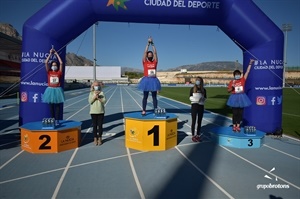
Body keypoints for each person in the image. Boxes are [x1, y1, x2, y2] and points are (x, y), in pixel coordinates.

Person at [226, 59, 255, 132]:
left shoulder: (242, 80)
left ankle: (238, 126)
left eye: (238, 74)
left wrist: (250, 63)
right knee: (235, 113)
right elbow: (228, 91)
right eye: (236, 75)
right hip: (234, 98)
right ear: (234, 75)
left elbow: (247, 72)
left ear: (240, 75)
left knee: (240, 113)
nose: (237, 76)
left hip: (242, 98)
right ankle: (234, 125)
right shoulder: (232, 82)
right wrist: (232, 87)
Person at [138, 37, 161, 115]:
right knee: (145, 96)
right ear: (147, 56)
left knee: (154, 97)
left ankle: (155, 110)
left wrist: (153, 44)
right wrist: (148, 44)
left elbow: (155, 53)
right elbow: (144, 52)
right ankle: (144, 110)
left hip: (154, 80)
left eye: (151, 55)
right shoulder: (145, 62)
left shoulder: (155, 62)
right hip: (146, 80)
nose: (150, 55)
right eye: (149, 55)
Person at [43, 48, 65, 125]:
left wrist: (56, 54)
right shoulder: (49, 72)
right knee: (51, 106)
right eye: (53, 65)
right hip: (50, 90)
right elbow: (46, 62)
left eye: (55, 65)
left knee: (58, 106)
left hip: (57, 89)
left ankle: (57, 120)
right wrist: (50, 54)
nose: (54, 66)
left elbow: (61, 63)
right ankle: (52, 119)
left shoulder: (59, 72)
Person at [189, 76, 207, 142]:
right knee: (193, 121)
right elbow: (190, 97)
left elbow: (205, 98)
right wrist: (196, 100)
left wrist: (202, 99)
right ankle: (193, 135)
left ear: (201, 82)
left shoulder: (204, 90)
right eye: (197, 80)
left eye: (199, 80)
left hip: (201, 106)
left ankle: (198, 135)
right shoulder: (192, 89)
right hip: (194, 106)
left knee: (199, 121)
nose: (198, 81)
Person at [88, 80, 106, 146]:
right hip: (93, 112)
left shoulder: (102, 93)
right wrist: (94, 97)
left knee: (100, 125)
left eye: (97, 85)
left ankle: (100, 138)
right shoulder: (91, 93)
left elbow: (104, 101)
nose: (96, 87)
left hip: (101, 111)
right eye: (95, 85)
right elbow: (90, 101)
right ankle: (95, 138)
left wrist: (99, 98)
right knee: (95, 126)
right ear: (93, 86)